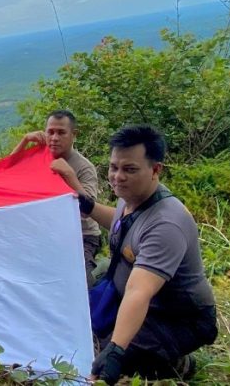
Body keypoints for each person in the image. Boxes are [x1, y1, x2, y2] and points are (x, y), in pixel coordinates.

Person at [78, 125, 217, 384]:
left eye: (129, 169)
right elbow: (122, 222)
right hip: (130, 296)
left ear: (155, 170)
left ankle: (176, 364)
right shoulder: (132, 196)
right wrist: (90, 207)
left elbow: (139, 291)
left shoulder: (166, 224)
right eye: (113, 167)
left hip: (175, 317)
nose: (118, 177)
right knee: (80, 316)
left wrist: (116, 349)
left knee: (101, 357)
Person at [11, 110, 102, 287]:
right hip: (47, 232)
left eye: (61, 133)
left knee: (78, 281)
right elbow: (8, 171)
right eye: (50, 132)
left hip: (82, 235)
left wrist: (70, 175)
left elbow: (87, 211)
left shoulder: (84, 168)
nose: (54, 138)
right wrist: (24, 141)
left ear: (73, 135)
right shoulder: (38, 158)